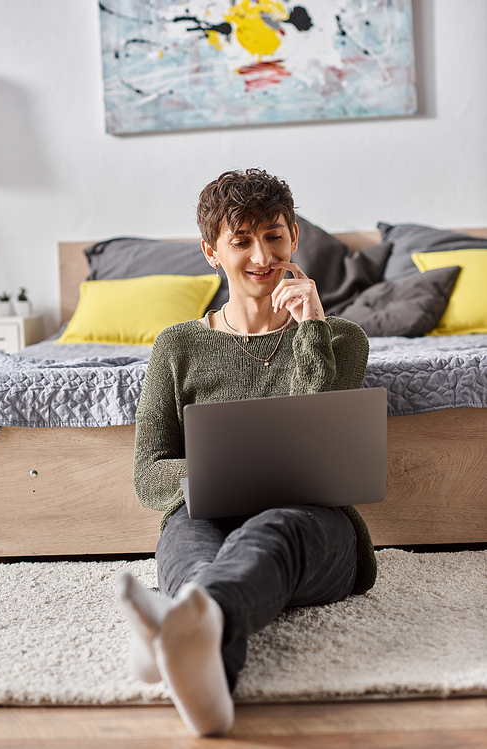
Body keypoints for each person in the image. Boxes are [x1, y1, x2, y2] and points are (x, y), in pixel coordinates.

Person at [117, 168, 377, 736]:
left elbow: (327, 445)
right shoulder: (177, 347)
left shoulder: (343, 339)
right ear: (212, 252)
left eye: (275, 236)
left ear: (295, 239)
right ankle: (202, 662)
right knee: (190, 558)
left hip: (314, 525)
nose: (262, 256)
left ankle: (177, 631)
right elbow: (147, 474)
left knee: (269, 532)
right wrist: (221, 475)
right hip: (203, 513)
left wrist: (312, 329)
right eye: (242, 241)